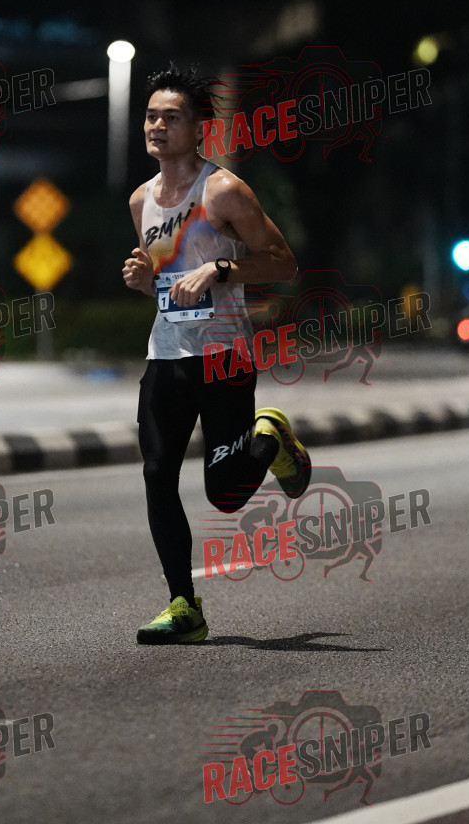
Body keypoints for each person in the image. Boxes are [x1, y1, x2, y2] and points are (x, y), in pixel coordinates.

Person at [122, 62, 311, 644]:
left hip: (224, 356)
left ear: (198, 128)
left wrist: (221, 268)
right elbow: (165, 278)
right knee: (157, 474)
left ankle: (270, 438)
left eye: (171, 117)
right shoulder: (140, 200)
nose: (157, 126)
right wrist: (143, 278)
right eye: (150, 116)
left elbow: (283, 263)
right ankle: (185, 606)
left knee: (225, 494)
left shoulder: (224, 190)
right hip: (166, 355)